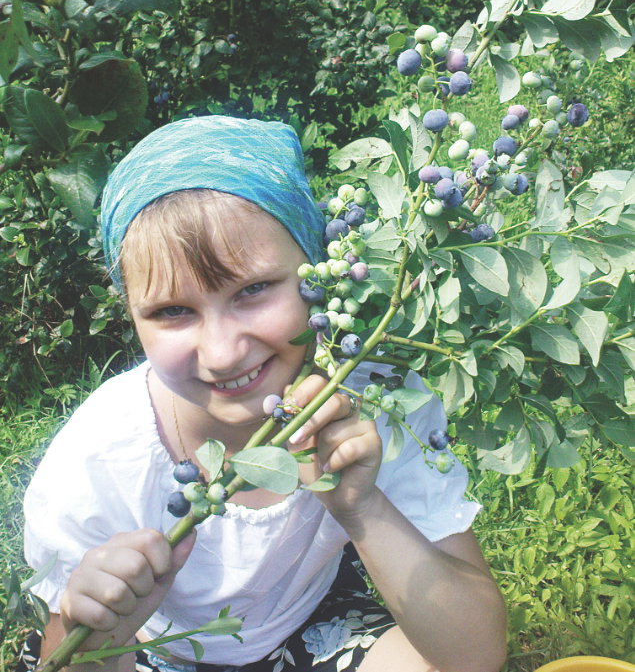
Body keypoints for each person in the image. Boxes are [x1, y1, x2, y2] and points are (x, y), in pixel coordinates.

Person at [21, 115, 506, 672]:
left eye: (253, 290)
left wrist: (361, 506)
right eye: (172, 311)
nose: (223, 352)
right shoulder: (98, 460)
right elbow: (71, 656)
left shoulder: (373, 401)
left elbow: (473, 658)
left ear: (317, 276)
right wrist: (107, 635)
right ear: (132, 317)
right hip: (153, 648)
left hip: (309, 621)